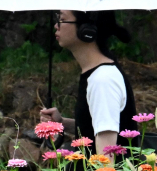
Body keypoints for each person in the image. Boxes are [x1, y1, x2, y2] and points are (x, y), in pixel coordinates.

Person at [39, 10, 138, 159]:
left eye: (62, 20)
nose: (56, 26)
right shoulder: (95, 74)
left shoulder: (103, 80)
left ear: (86, 30)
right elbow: (94, 129)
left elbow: (106, 160)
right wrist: (61, 123)